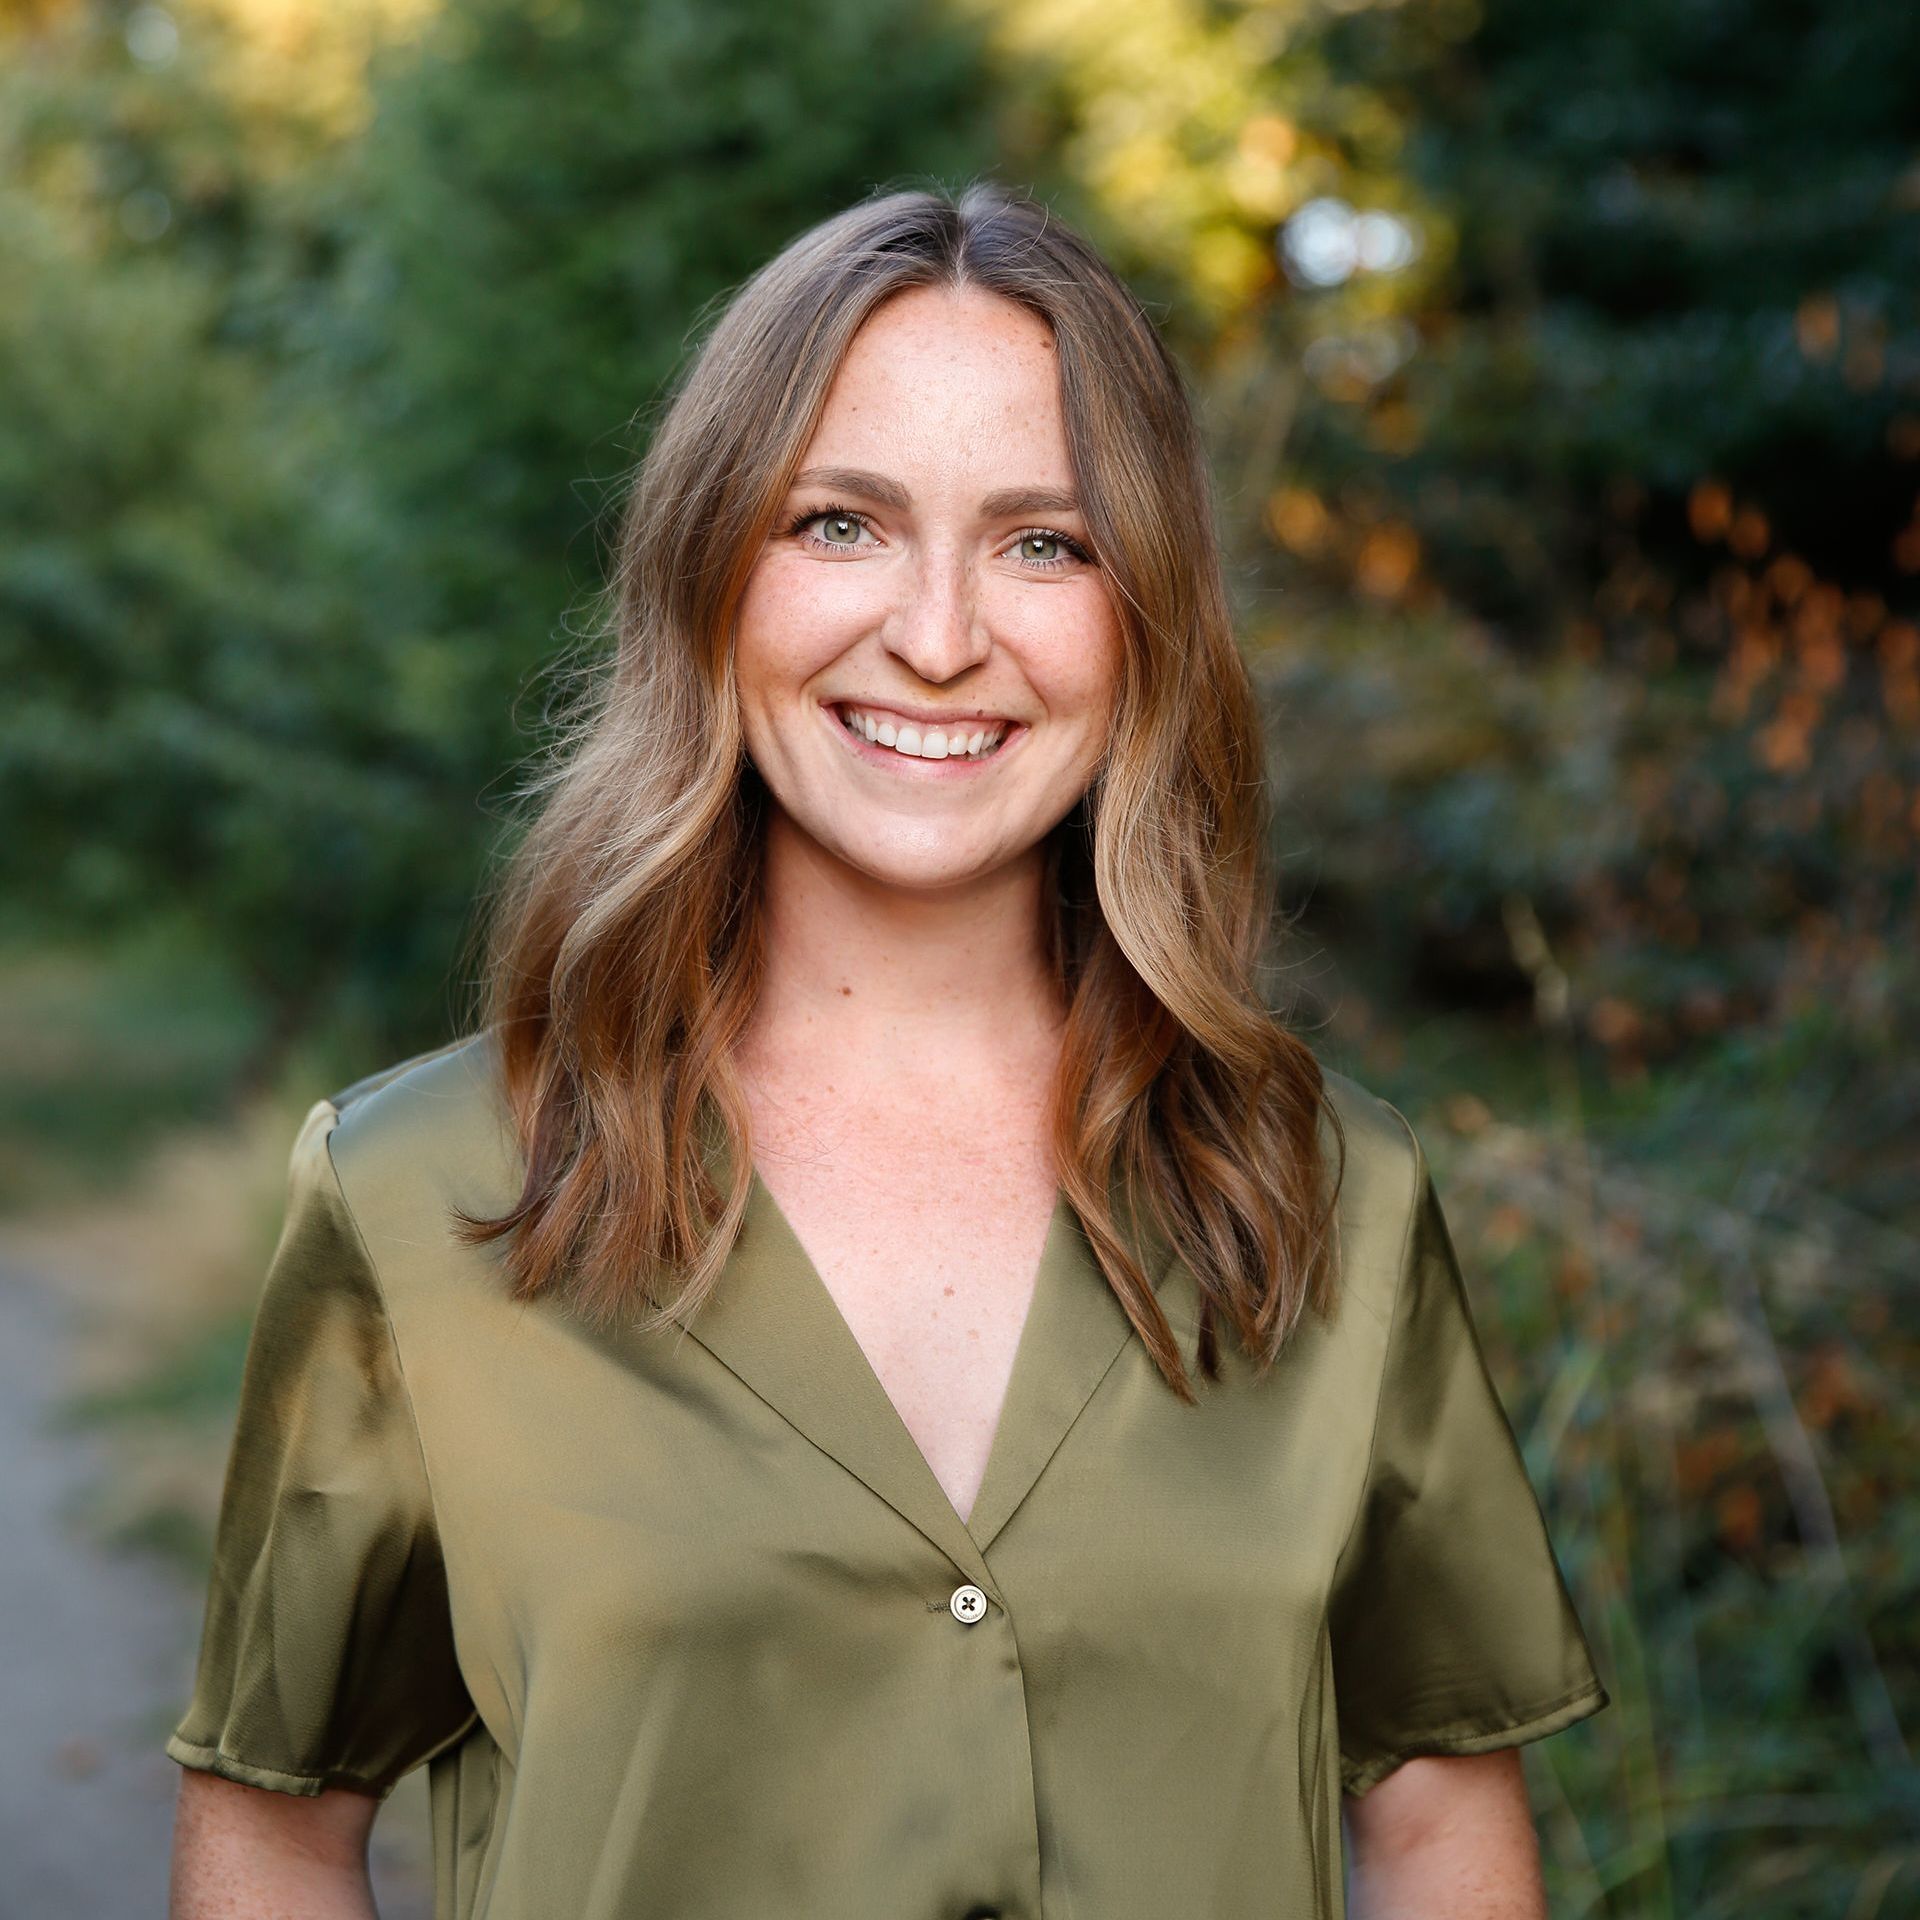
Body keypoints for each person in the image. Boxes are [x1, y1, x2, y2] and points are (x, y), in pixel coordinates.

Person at [165, 180, 1609, 1920]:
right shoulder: (423, 1197)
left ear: (1144, 614)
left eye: (1044, 542)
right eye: (838, 523)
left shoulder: (1329, 1198)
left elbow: (1446, 1815)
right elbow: (272, 1820)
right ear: (710, 570)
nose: (937, 636)